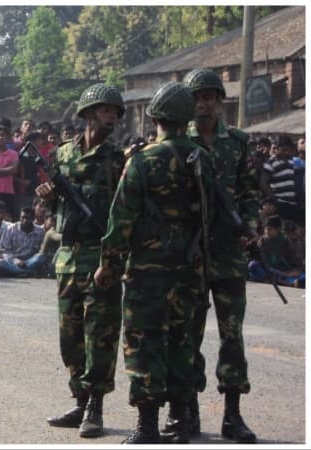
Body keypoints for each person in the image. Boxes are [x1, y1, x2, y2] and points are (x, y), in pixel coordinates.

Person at [94, 81, 215, 444]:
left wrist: (108, 264)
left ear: (155, 117)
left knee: (145, 340)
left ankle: (148, 426)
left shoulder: (143, 161)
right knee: (183, 340)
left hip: (149, 270)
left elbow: (121, 218)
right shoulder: (202, 158)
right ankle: (179, 419)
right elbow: (212, 215)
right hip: (191, 267)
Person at [36, 83, 126, 438]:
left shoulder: (118, 160)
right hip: (69, 257)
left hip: (101, 256)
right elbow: (56, 206)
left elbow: (125, 211)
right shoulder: (63, 154)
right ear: (88, 114)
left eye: (115, 112)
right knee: (69, 336)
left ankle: (95, 407)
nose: (111, 117)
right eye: (105, 110)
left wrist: (115, 258)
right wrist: (47, 196)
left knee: (100, 335)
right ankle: (80, 400)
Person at [181, 67, 260, 443]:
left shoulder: (238, 142)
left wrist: (251, 226)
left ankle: (232, 414)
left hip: (228, 250)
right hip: (192, 249)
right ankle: (189, 410)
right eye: (196, 98)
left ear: (219, 101)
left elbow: (249, 191)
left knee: (232, 335)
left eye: (208, 97)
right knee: (188, 333)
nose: (202, 104)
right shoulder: (179, 141)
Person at [0, 207, 46, 277]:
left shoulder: (40, 231)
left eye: (28, 218)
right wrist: (16, 261)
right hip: (13, 262)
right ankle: (28, 272)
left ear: (33, 219)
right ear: (19, 218)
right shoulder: (10, 229)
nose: (25, 220)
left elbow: (42, 249)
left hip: (30, 261)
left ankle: (18, 272)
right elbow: (3, 251)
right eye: (22, 218)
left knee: (40, 257)